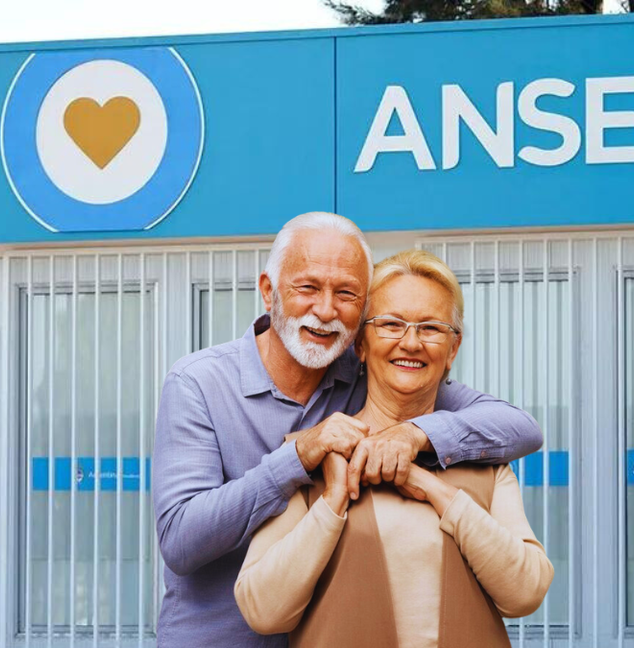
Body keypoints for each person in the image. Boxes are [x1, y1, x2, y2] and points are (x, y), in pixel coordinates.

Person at [152, 213, 543, 647]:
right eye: (308, 287)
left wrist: (413, 435)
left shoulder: (371, 369)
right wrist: (295, 460)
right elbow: (181, 541)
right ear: (268, 291)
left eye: (346, 293)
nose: (325, 310)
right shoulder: (198, 383)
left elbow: (520, 428)